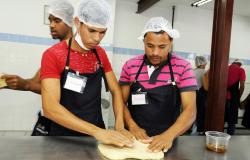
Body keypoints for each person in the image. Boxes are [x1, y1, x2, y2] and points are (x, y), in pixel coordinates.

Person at [41, 0, 134, 147]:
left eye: (102, 32)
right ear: (78, 23)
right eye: (92, 31)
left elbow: (116, 90)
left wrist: (120, 125)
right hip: (64, 135)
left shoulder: (100, 54)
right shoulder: (53, 55)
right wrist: (97, 132)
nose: (97, 38)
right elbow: (50, 108)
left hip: (97, 131)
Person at [119, 17, 197, 152]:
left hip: (168, 140)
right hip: (134, 139)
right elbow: (120, 102)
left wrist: (169, 135)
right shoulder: (130, 66)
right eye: (150, 46)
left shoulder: (183, 67)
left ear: (171, 43)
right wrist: (132, 126)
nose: (155, 52)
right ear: (143, 42)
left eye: (162, 47)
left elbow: (190, 110)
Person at [0, 0, 74, 135]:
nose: (51, 25)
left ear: (70, 22)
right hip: (49, 119)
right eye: (50, 20)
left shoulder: (76, 52)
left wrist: (26, 84)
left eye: (57, 21)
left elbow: (64, 92)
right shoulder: (54, 52)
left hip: (69, 123)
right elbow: (37, 82)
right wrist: (12, 83)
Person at [225, 59, 246, 135]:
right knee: (231, 122)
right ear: (240, 64)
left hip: (222, 98)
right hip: (233, 98)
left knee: (221, 119)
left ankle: (218, 137)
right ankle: (230, 138)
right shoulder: (241, 70)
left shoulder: (225, 68)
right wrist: (238, 97)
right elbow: (242, 86)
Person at [193, 56, 207, 135]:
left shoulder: (192, 71)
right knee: (200, 113)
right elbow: (206, 87)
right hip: (200, 95)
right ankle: (198, 130)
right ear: (203, 63)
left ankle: (190, 129)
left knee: (192, 112)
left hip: (191, 94)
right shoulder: (204, 72)